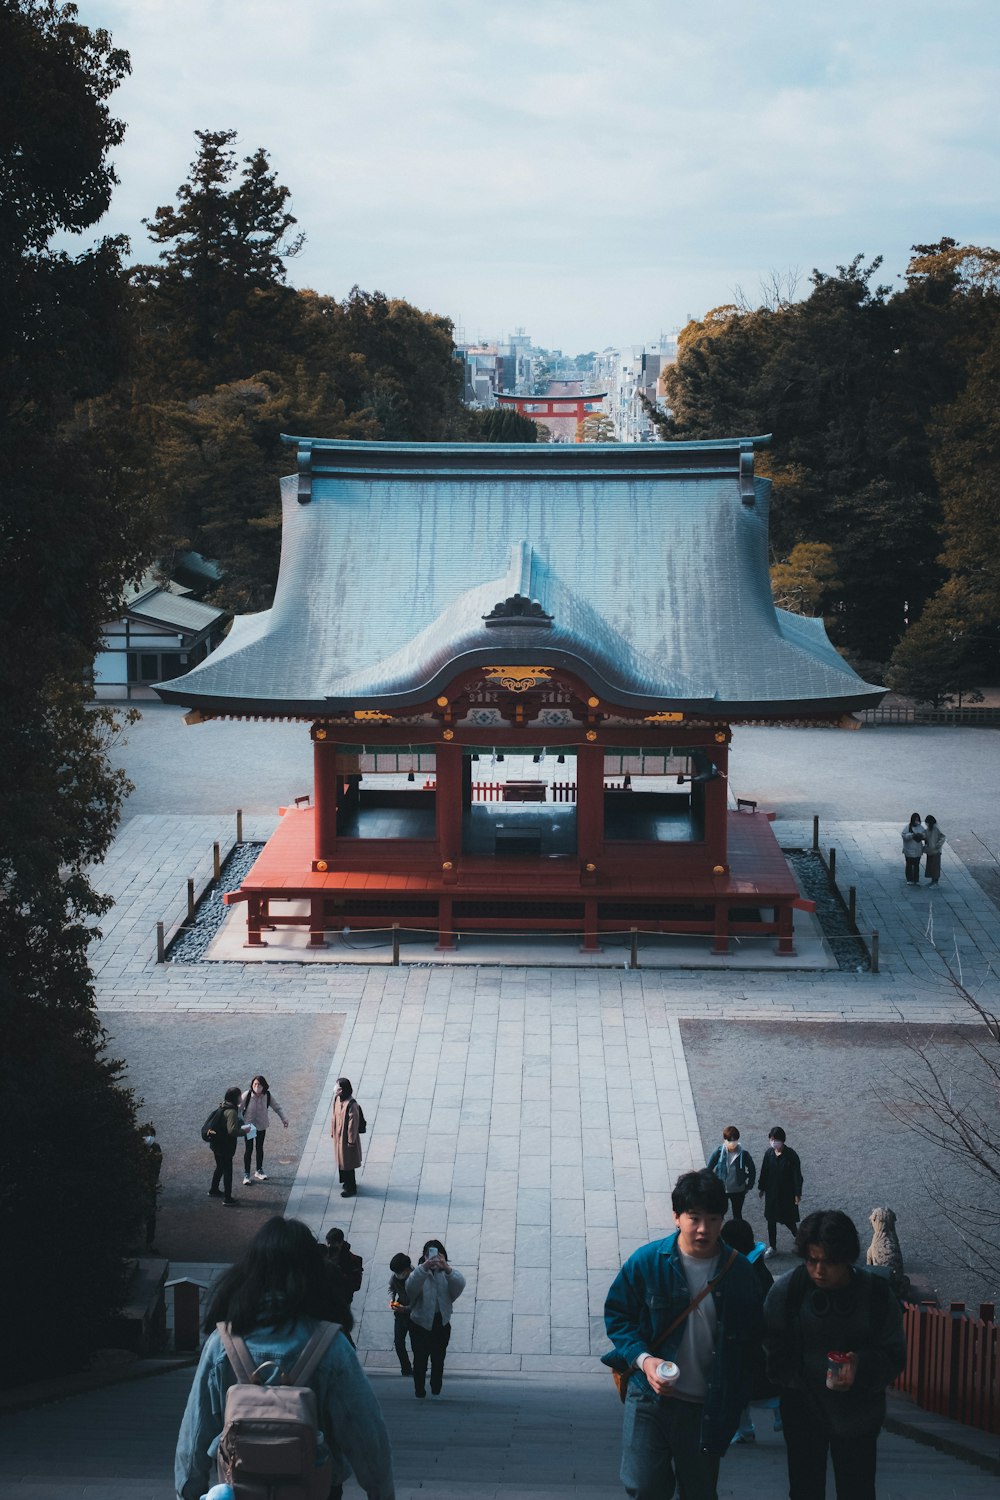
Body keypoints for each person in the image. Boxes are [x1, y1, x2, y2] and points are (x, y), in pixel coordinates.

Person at [174, 1216, 394, 1500]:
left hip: (241, 1488)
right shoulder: (330, 1346)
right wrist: (382, 1493)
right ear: (314, 1273)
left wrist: (187, 1493)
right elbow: (367, 1437)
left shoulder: (222, 1344)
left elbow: (194, 1436)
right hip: (315, 1490)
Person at [602, 1168, 764, 1500]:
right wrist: (645, 1362)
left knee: (700, 1491)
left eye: (713, 1218)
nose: (703, 1228)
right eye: (694, 1218)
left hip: (706, 1405)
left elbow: (754, 1336)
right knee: (643, 1486)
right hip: (649, 1398)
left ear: (722, 1220)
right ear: (676, 1217)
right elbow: (619, 1316)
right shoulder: (649, 1262)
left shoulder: (740, 1273)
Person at [763, 1208, 906, 1500]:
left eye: (829, 1262)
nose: (819, 1270)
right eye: (812, 1260)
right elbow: (769, 1341)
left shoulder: (876, 1295)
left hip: (859, 1414)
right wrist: (793, 1376)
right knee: (804, 1490)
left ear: (847, 1258)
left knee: (857, 1491)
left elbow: (894, 1353)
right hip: (803, 1408)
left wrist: (861, 1366)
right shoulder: (789, 1290)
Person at [719, 1216, 778, 1444]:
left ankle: (744, 1428)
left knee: (738, 1386)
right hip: (756, 1340)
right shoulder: (758, 1268)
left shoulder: (745, 1272)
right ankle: (747, 1427)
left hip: (747, 1339)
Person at [406, 1238, 465, 1399]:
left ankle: (436, 1386)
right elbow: (410, 1289)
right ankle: (419, 1389)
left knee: (438, 1358)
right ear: (424, 1256)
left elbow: (459, 1286)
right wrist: (424, 1267)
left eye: (438, 1255)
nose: (433, 1259)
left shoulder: (447, 1273)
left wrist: (446, 1268)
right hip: (419, 1323)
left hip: (441, 1322)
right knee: (420, 1360)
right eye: (430, 1255)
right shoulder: (419, 1272)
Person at [758, 1126, 803, 1258]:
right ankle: (773, 1246)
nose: (773, 1142)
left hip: (786, 1194)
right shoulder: (769, 1154)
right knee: (770, 1221)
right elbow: (764, 1171)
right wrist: (762, 1187)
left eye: (775, 1140)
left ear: (782, 1140)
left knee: (789, 1221)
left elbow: (797, 1175)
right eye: (771, 1139)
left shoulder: (791, 1155)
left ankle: (801, 1241)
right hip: (772, 1193)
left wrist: (797, 1193)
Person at [240, 1073, 288, 1185]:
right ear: (252, 1084)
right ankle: (247, 1174)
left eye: (259, 1084)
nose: (257, 1086)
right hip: (249, 1126)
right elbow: (238, 1109)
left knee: (259, 1147)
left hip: (261, 1125)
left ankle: (259, 1170)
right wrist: (239, 1124)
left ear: (264, 1086)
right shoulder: (247, 1095)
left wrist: (284, 1119)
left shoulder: (267, 1095)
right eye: (255, 1084)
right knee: (249, 1149)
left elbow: (277, 1107)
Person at [207, 1087, 250, 1206]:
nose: (241, 1098)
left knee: (219, 1167)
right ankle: (228, 1198)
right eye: (239, 1096)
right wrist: (244, 1132)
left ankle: (213, 1189)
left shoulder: (223, 1106)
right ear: (235, 1098)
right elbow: (232, 1131)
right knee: (227, 1171)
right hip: (225, 1146)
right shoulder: (231, 1111)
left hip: (216, 1144)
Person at [706, 1125, 756, 1220]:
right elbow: (708, 1169)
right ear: (725, 1140)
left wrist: (749, 1185)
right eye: (729, 1140)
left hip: (738, 1190)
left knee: (737, 1214)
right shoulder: (719, 1152)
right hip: (722, 1189)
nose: (732, 1143)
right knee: (719, 1214)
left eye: (734, 1140)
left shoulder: (743, 1154)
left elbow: (752, 1169)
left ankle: (737, 1232)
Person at [331, 1077, 362, 1198]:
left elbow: (352, 1124)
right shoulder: (337, 1099)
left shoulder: (351, 1104)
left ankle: (351, 1187)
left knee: (348, 1163)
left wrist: (351, 1140)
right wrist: (332, 1130)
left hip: (346, 1138)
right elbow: (334, 1116)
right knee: (341, 1161)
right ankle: (345, 1182)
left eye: (338, 1087)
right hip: (338, 1137)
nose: (336, 1089)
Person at [324, 1226, 364, 1305]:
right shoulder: (322, 1255)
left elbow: (356, 1285)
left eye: (333, 1244)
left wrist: (338, 1274)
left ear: (341, 1243)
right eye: (328, 1243)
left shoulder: (353, 1261)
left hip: (342, 1300)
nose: (329, 1247)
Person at [389, 1252, 414, 1377]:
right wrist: (392, 1301)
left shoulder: (417, 1278)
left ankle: (420, 1367)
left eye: (400, 1272)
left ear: (407, 1269)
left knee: (417, 1343)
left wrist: (405, 1309)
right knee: (399, 1342)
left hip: (414, 1315)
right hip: (401, 1313)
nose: (398, 1275)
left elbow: (421, 1304)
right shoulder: (395, 1278)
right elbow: (391, 1289)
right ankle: (406, 1368)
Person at [139, 1121, 162, 1251]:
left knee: (150, 1214)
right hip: (147, 1186)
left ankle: (148, 1241)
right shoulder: (155, 1148)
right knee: (149, 1214)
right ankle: (147, 1242)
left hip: (148, 1185)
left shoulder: (155, 1148)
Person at [901, 812, 926, 885]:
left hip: (917, 850)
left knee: (916, 865)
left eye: (917, 820)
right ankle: (909, 879)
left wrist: (921, 836)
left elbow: (925, 835)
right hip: (909, 850)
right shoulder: (907, 827)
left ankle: (916, 879)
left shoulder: (921, 827)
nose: (916, 821)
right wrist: (912, 835)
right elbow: (904, 835)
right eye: (915, 820)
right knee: (909, 865)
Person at [923, 815, 946, 885]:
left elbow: (943, 837)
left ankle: (935, 882)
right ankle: (932, 881)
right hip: (930, 850)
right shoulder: (928, 829)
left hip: (936, 851)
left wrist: (938, 845)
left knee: (935, 867)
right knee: (931, 866)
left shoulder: (936, 828)